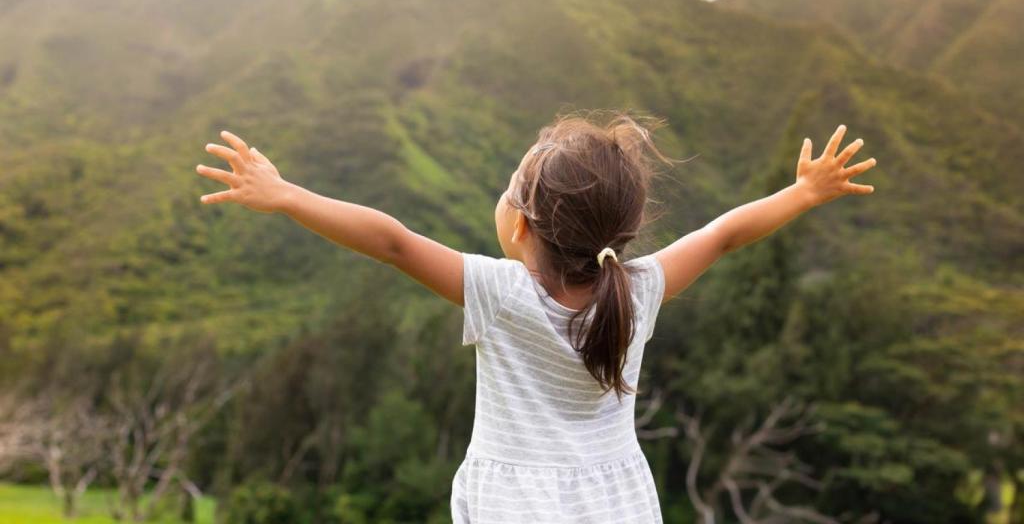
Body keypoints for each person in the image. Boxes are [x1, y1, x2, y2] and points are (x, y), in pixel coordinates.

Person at [195, 111, 877, 523]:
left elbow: (393, 241)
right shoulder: (638, 289)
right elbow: (722, 235)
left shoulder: (501, 294)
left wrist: (286, 195)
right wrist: (802, 192)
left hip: (514, 507)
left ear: (520, 225)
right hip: (618, 502)